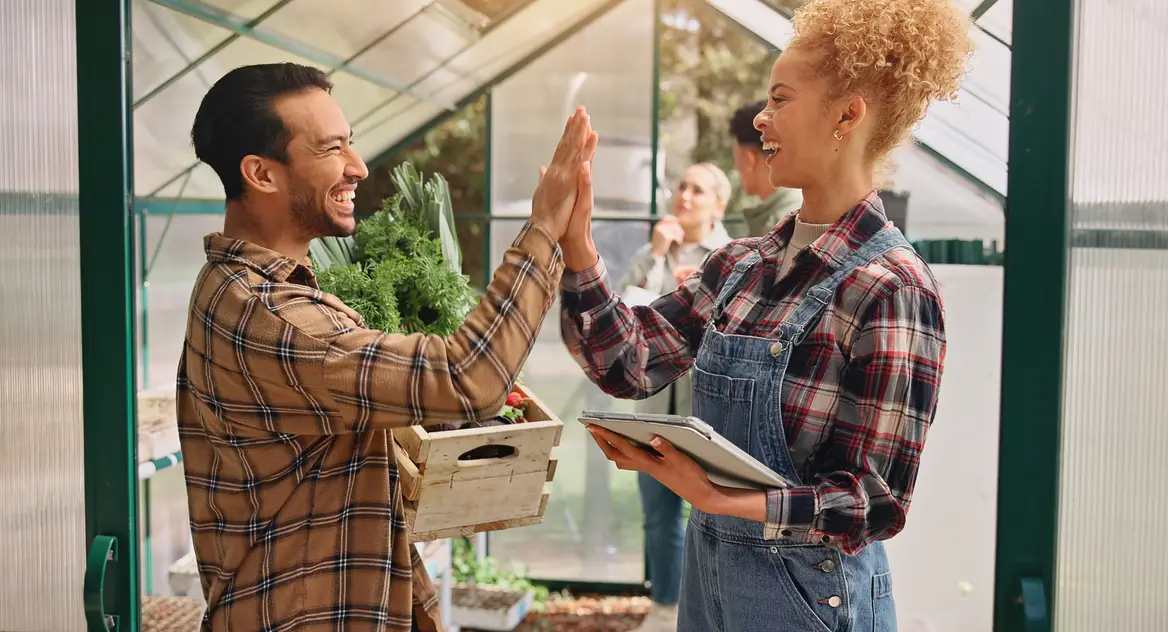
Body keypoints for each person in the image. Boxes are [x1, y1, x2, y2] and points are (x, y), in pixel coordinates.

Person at [558, 0, 966, 628]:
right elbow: (628, 365)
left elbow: (873, 502)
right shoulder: (740, 267)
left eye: (779, 99)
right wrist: (578, 245)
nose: (761, 118)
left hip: (810, 603)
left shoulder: (890, 287)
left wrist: (724, 497)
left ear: (847, 115)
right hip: (710, 583)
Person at [178, 62, 596, 632]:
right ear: (261, 173)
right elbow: (464, 380)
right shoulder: (273, 317)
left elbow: (352, 480)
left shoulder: (240, 287)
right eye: (331, 149)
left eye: (350, 142)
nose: (358, 166)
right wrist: (545, 227)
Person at [616, 163, 734, 631]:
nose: (684, 196)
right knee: (659, 515)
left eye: (698, 190)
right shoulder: (652, 253)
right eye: (681, 187)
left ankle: (713, 612)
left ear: (718, 206)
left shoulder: (732, 257)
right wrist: (658, 254)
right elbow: (626, 320)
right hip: (652, 409)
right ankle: (665, 609)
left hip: (707, 411)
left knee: (716, 517)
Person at [728, 99, 804, 237]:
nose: (737, 168)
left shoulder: (780, 225)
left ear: (750, 158)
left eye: (737, 158)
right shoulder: (802, 207)